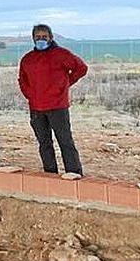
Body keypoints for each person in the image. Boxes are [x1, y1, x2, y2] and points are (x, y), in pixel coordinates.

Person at [18, 24, 88, 176]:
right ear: (33, 38)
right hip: (36, 107)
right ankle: (50, 174)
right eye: (38, 37)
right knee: (44, 143)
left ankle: (74, 173)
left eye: (44, 36)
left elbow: (81, 68)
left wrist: (65, 84)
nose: (41, 39)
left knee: (65, 142)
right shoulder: (28, 59)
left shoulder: (61, 54)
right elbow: (22, 79)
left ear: (50, 37)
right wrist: (29, 94)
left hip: (57, 106)